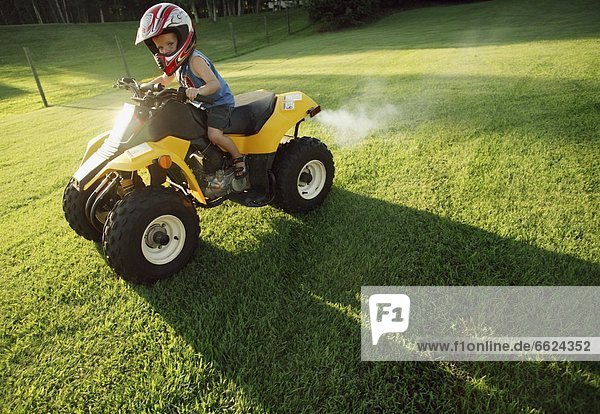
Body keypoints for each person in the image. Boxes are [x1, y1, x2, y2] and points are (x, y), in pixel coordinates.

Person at [135, 2, 246, 178]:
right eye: (161, 48)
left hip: (218, 103)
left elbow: (214, 84)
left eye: (170, 44)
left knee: (214, 134)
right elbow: (164, 80)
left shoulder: (195, 60)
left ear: (183, 38)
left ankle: (239, 158)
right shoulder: (177, 64)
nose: (165, 50)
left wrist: (198, 91)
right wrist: (143, 86)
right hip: (201, 104)